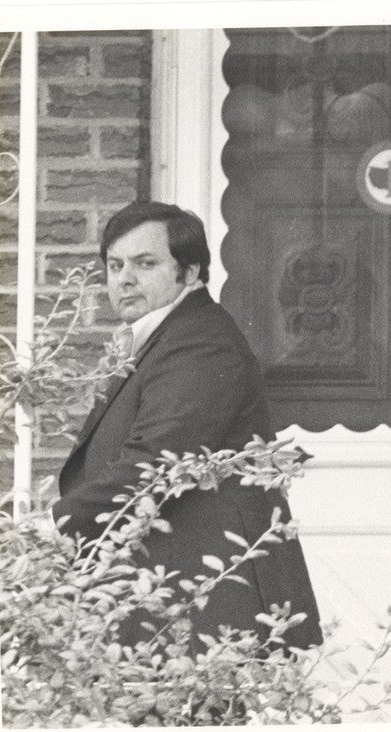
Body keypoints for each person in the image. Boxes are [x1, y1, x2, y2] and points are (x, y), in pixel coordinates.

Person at [53, 202, 323, 650]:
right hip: (185, 599)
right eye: (114, 265)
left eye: (145, 263)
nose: (124, 279)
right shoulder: (165, 335)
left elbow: (155, 461)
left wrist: (50, 529)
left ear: (191, 272)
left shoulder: (200, 343)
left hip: (214, 608)